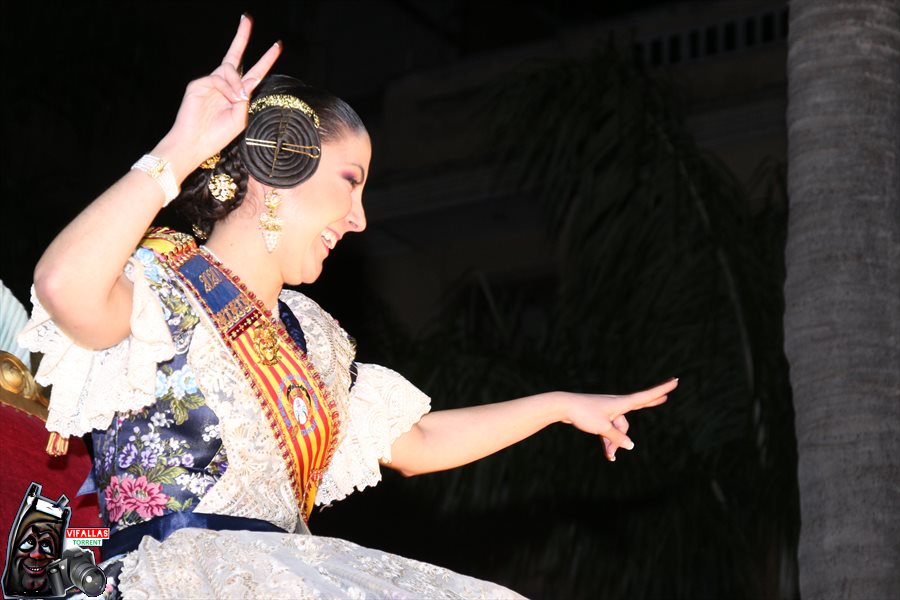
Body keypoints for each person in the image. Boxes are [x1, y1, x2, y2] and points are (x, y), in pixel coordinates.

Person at [19, 16, 677, 598]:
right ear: (279, 165)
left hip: (288, 569)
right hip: (171, 576)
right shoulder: (160, 284)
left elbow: (417, 442)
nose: (360, 219)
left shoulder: (315, 335)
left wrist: (558, 406)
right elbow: (61, 285)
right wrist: (180, 148)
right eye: (350, 182)